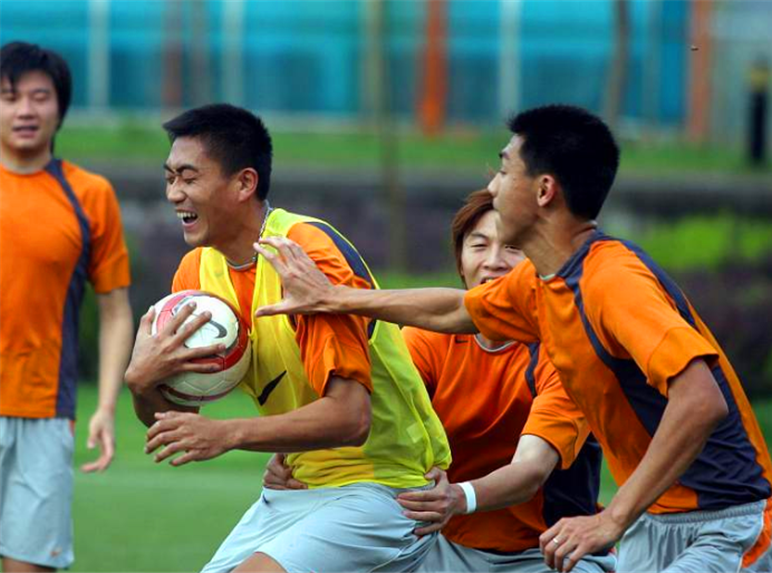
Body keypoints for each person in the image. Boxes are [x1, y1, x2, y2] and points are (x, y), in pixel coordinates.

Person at [253, 104, 772, 573]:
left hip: (728, 525)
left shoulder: (612, 281)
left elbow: (700, 401)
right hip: (654, 524)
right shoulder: (543, 281)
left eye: (503, 170)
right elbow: (454, 308)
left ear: (543, 190)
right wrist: (336, 298)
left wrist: (611, 517)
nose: (491, 186)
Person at [123, 103, 451, 573]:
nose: (175, 194)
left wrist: (229, 432)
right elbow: (177, 426)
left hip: (388, 490)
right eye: (170, 177)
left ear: (244, 183)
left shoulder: (305, 256)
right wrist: (142, 382)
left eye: (189, 178)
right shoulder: (195, 273)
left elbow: (350, 417)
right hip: (296, 488)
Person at [264, 189, 616, 573]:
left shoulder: (567, 351)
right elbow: (372, 423)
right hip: (438, 547)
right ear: (460, 263)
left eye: (513, 248)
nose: (493, 262)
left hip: (550, 554)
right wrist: (292, 461)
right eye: (478, 246)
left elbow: (530, 472)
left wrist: (458, 497)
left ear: (539, 262)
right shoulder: (428, 342)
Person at [0, 42, 133, 572]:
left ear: (61, 107)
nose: (25, 110)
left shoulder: (90, 194)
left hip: (46, 414)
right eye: (10, 98)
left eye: (39, 97)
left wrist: (104, 405)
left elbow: (116, 309)